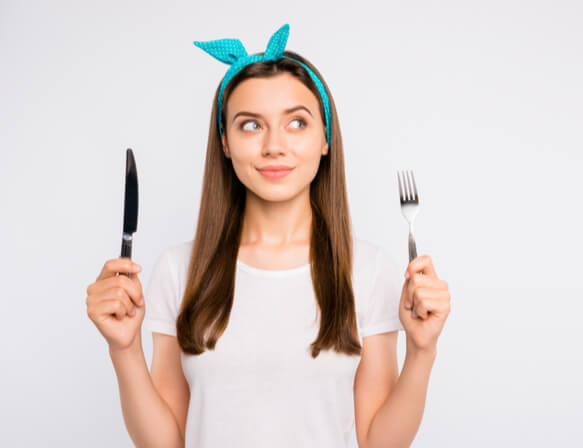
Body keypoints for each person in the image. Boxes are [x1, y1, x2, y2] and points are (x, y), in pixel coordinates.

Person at [85, 24, 451, 447]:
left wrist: (422, 352)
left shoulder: (368, 271)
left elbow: (379, 442)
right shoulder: (180, 270)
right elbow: (166, 443)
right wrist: (124, 350)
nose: (274, 146)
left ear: (325, 138)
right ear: (224, 142)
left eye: (296, 122)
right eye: (250, 126)